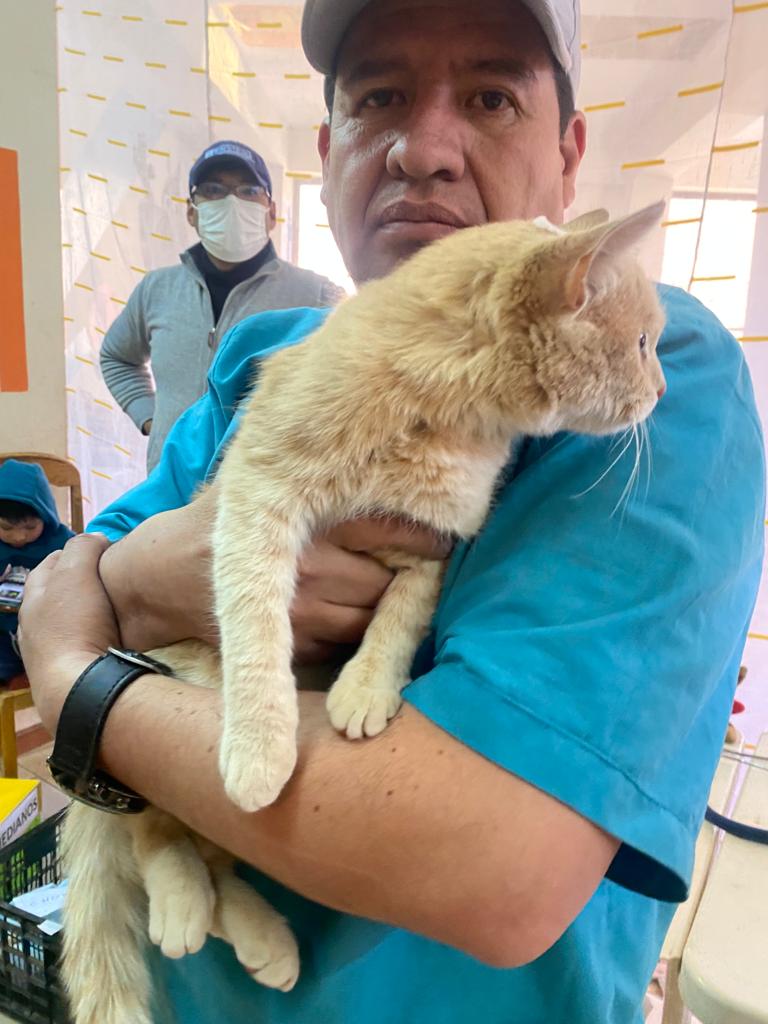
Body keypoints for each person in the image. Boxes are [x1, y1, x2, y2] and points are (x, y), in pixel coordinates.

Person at [20, 0, 764, 1022]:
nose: (424, 149)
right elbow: (69, 579)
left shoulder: (653, 372)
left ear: (568, 156)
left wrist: (79, 683)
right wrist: (144, 580)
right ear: (327, 157)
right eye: (379, 98)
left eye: (492, 97)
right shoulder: (266, 353)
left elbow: (491, 865)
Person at [100, 139, 345, 471]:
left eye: (248, 191)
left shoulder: (314, 295)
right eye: (213, 190)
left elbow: (353, 384)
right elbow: (116, 357)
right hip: (169, 484)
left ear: (271, 212)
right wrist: (152, 419)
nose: (231, 201)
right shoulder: (156, 289)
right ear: (192, 211)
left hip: (262, 487)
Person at [0, 460, 74, 682]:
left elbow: (80, 568)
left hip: (46, 628)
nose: (19, 537)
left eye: (30, 527)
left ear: (46, 516)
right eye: (6, 528)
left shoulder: (60, 540)